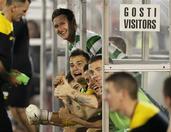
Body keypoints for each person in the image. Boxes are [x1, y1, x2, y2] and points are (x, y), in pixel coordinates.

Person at [25, 50, 102, 131]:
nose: (75, 68)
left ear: (88, 66)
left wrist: (68, 92)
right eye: (72, 65)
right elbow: (70, 119)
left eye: (79, 64)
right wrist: (44, 116)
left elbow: (91, 107)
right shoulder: (82, 87)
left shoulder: (97, 87)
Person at [0, 0, 30, 131]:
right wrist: (8, 76)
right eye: (23, 11)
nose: (24, 14)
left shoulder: (8, 25)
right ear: (13, 8)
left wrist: (11, 72)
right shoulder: (1, 25)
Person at [52, 8, 123, 59]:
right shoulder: (71, 45)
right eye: (56, 26)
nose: (60, 29)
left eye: (62, 24)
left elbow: (115, 63)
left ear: (72, 23)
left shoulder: (89, 39)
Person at [7, 18, 36, 132]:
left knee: (21, 110)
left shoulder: (18, 22)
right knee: (14, 109)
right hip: (14, 71)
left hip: (21, 73)